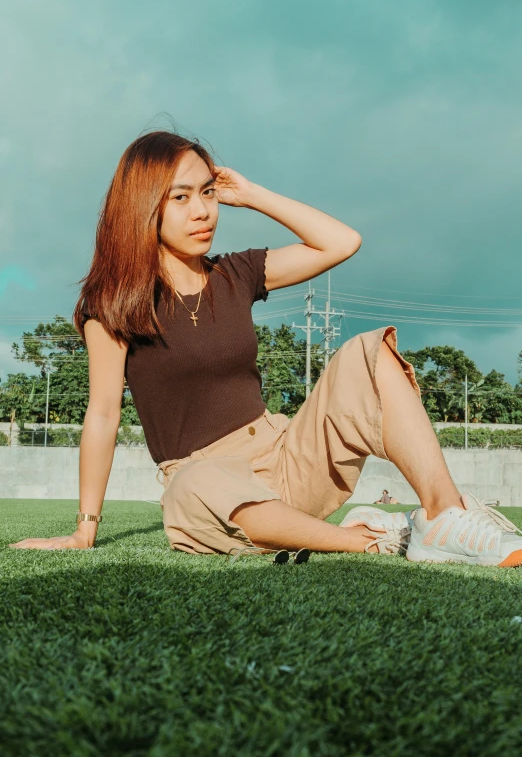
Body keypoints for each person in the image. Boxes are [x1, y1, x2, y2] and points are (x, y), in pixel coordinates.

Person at [8, 129, 522, 567]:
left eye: (208, 192)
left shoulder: (237, 273)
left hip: (283, 455)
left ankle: (443, 517)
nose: (203, 211)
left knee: (369, 351)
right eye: (181, 197)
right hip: (206, 483)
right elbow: (101, 415)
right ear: (144, 206)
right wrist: (85, 528)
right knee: (189, 488)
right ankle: (364, 540)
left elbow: (341, 242)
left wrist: (253, 194)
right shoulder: (113, 305)